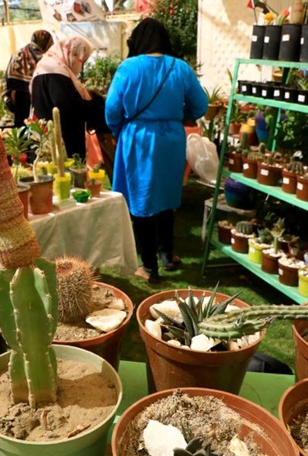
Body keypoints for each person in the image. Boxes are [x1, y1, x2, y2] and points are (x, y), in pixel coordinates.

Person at [105, 18, 208, 284]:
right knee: (166, 197)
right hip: (171, 139)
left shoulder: (128, 68)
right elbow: (200, 105)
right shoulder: (181, 68)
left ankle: (149, 267)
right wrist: (180, 117)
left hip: (138, 139)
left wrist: (120, 131)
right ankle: (167, 254)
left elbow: (112, 111)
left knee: (142, 201)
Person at [31, 36, 107, 159]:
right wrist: (95, 104)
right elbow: (69, 106)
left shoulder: (46, 67)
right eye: (82, 60)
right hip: (62, 144)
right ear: (72, 53)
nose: (81, 67)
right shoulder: (55, 71)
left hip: (48, 138)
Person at [3, 30, 54, 127]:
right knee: (41, 129)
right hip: (39, 97)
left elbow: (9, 79)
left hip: (20, 97)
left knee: (22, 129)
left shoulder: (19, 53)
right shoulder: (49, 57)